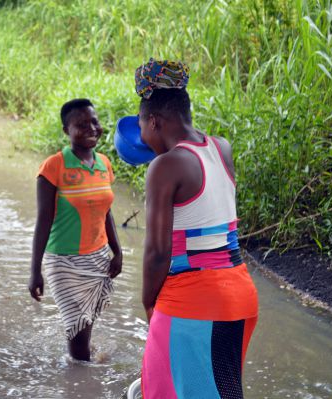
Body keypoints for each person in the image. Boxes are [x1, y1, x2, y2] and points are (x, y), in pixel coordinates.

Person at [136, 59, 259, 398]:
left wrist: (149, 303)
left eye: (142, 127)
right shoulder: (221, 148)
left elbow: (158, 253)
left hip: (193, 301)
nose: (144, 138)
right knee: (222, 390)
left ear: (154, 121)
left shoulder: (165, 165)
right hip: (239, 294)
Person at [28, 98, 123, 361]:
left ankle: (81, 368)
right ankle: (82, 380)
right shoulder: (53, 167)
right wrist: (35, 271)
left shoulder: (104, 163)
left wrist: (118, 252)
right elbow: (43, 220)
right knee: (78, 331)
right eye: (81, 125)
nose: (92, 128)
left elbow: (106, 212)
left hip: (98, 258)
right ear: (66, 131)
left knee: (85, 324)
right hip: (64, 262)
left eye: (94, 121)